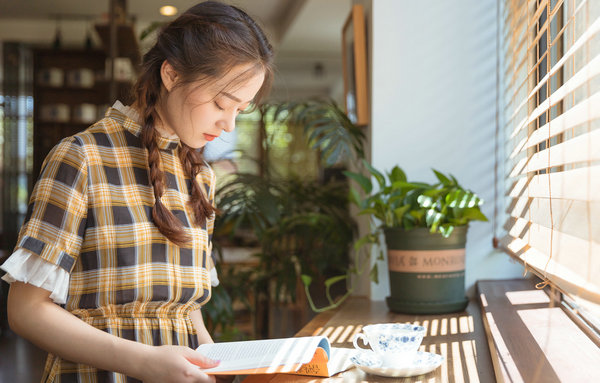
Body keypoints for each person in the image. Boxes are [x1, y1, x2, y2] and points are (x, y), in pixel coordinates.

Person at [0, 1, 273, 382]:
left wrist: (215, 369)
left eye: (240, 110)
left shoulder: (200, 176)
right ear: (172, 74)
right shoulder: (82, 158)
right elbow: (26, 311)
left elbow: (184, 308)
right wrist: (143, 362)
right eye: (221, 103)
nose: (227, 124)